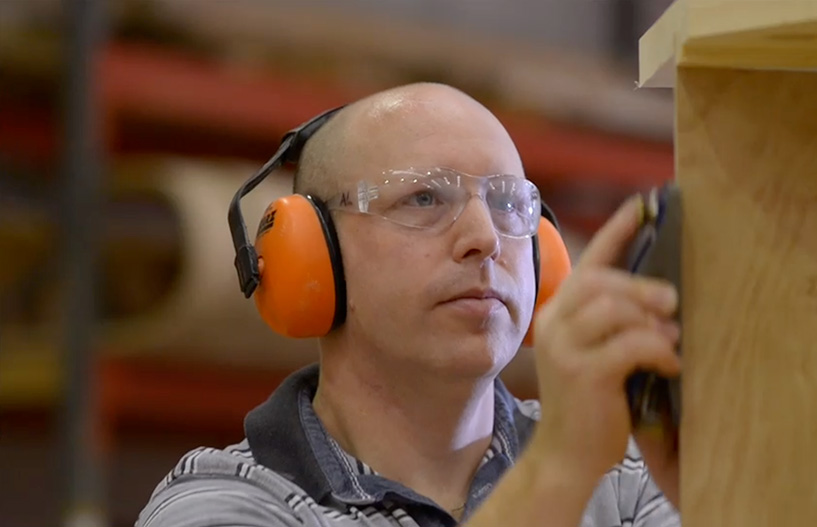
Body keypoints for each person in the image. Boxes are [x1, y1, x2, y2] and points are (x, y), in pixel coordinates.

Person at [136, 82, 682, 527]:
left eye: (508, 203)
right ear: (311, 255)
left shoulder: (626, 478)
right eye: (423, 197)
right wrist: (559, 472)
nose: (485, 238)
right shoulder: (223, 502)